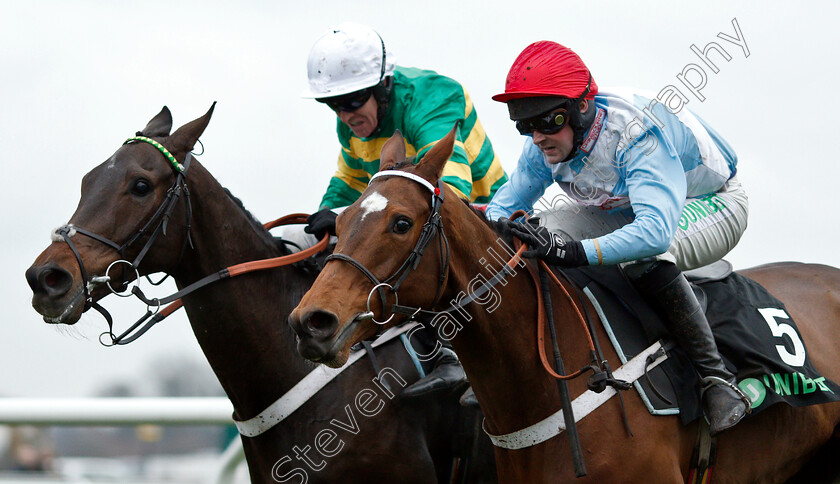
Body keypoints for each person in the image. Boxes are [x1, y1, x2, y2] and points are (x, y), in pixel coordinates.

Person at [487, 41, 750, 435]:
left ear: (581, 108)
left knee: (641, 255)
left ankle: (716, 378)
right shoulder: (544, 143)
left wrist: (574, 251)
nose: (538, 137)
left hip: (713, 202)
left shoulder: (636, 135)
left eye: (548, 122)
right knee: (538, 230)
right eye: (525, 125)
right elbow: (500, 211)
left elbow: (655, 233)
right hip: (629, 209)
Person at [295, 22, 509, 400]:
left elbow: (447, 189)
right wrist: (328, 212)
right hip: (396, 222)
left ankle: (454, 354)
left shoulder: (434, 97)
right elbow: (347, 177)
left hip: (477, 219)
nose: (344, 115)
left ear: (383, 86)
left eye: (351, 102)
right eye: (332, 104)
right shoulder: (353, 124)